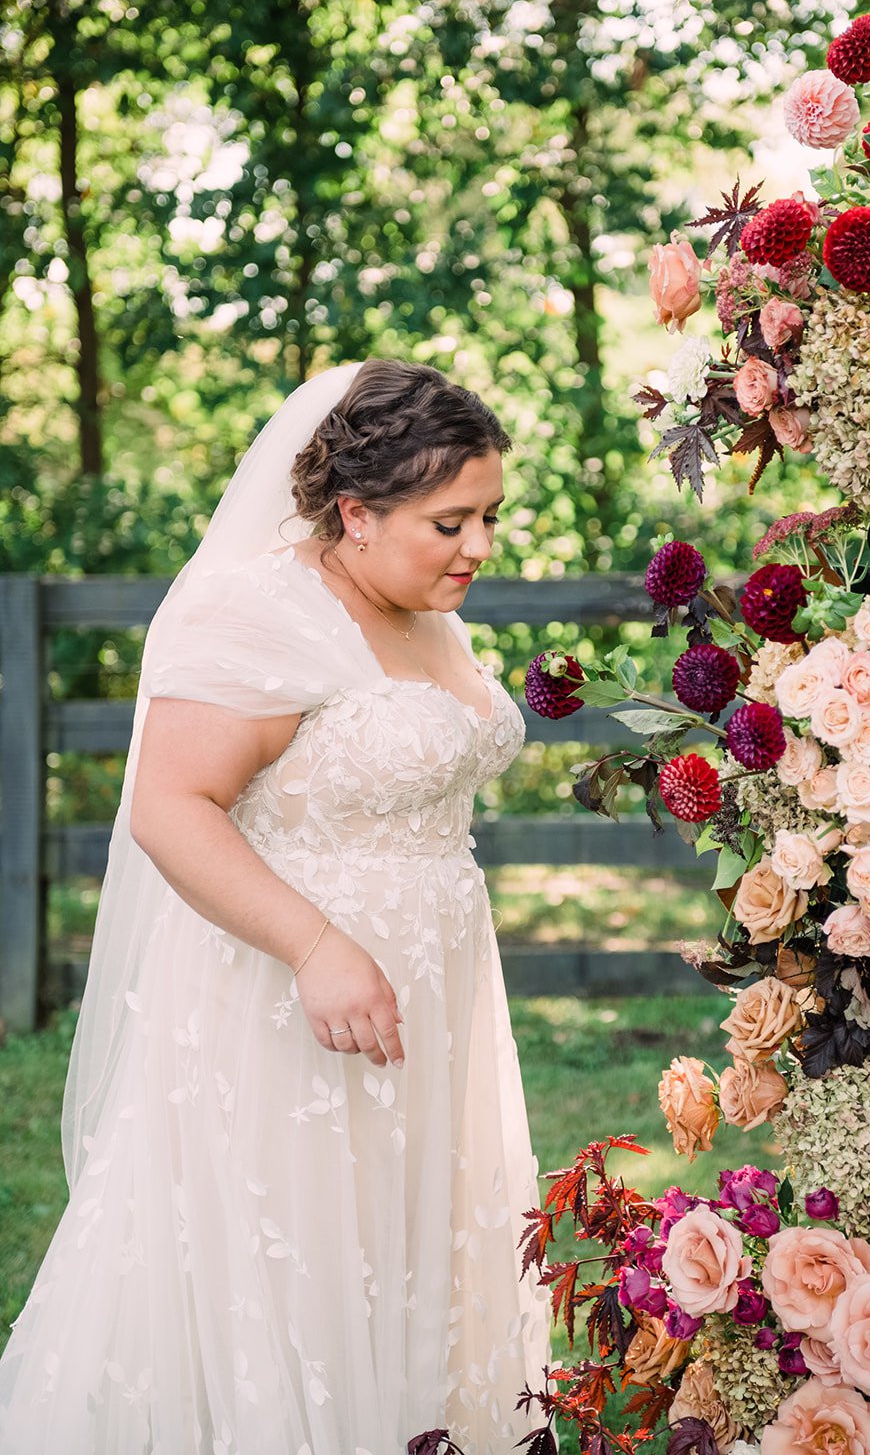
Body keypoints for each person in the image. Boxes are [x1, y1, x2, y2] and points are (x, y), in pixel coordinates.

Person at [0, 360, 550, 1453]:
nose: (480, 546)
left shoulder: (428, 606)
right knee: (293, 1259)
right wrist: (316, 944)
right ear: (355, 512)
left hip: (432, 1000)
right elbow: (169, 807)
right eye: (451, 521)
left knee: (409, 1248)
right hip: (284, 1010)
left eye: (490, 514)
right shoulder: (256, 613)